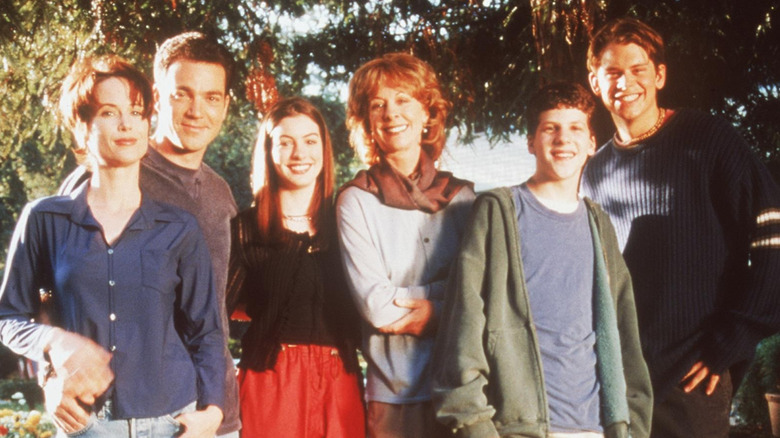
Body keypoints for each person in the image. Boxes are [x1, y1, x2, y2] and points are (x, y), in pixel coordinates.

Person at [0, 55, 225, 437]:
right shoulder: (45, 220)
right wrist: (53, 342)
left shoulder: (179, 228)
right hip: (87, 426)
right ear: (82, 127)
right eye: (108, 111)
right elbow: (9, 318)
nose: (126, 124)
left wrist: (214, 412)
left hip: (173, 422)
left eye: (137, 112)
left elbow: (207, 333)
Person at [582, 17, 780, 438]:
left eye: (638, 70)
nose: (626, 83)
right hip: (620, 378)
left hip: (695, 374)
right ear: (595, 81)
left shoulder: (707, 138)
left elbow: (772, 228)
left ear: (660, 75)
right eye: (613, 72)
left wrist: (736, 337)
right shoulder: (594, 171)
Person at [432, 82, 652, 438]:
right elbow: (464, 324)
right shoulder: (498, 212)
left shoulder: (599, 224)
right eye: (550, 128)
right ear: (531, 142)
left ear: (592, 143)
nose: (563, 138)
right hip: (517, 427)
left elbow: (623, 332)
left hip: (595, 427)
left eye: (575, 128)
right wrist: (474, 424)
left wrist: (629, 425)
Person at [58, 32, 241, 437]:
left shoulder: (220, 192)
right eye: (182, 94)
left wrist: (214, 411)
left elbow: (213, 314)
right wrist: (52, 377)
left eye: (212, 97)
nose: (197, 111)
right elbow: (46, 289)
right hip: (122, 420)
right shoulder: (106, 173)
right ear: (157, 98)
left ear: (226, 105)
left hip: (214, 417)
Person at [337, 52, 475, 438]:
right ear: (367, 122)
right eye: (377, 105)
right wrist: (449, 302)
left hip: (465, 388)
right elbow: (377, 308)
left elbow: (483, 297)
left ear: (427, 113)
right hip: (395, 394)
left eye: (403, 99)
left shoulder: (463, 199)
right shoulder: (355, 200)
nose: (390, 113)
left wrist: (425, 305)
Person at [225, 97, 365, 437]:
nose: (299, 154)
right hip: (270, 385)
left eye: (309, 141)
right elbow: (213, 316)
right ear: (268, 152)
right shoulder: (245, 228)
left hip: (341, 384)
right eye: (285, 143)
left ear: (324, 149)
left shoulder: (349, 222)